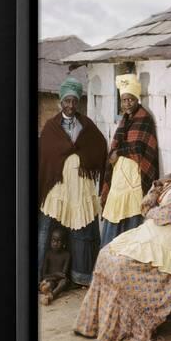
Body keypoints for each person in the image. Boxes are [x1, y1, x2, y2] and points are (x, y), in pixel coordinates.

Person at [74, 131, 171, 341]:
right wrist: (159, 184)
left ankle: (124, 327)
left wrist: (151, 210)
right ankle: (95, 325)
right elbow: (146, 204)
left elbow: (164, 216)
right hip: (155, 232)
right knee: (107, 254)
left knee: (122, 267)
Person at [38, 77, 107, 287]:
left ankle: (80, 276)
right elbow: (44, 156)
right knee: (46, 228)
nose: (70, 106)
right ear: (61, 101)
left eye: (74, 101)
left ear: (78, 103)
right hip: (57, 188)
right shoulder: (51, 127)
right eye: (67, 101)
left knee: (81, 228)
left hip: (79, 187)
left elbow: (100, 146)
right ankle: (40, 274)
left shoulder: (85, 125)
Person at [100, 74, 159, 247]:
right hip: (119, 179)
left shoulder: (145, 119)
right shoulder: (123, 121)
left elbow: (141, 148)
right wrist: (114, 155)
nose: (127, 103)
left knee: (132, 220)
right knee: (114, 218)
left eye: (130, 100)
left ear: (136, 99)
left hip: (134, 179)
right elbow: (116, 147)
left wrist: (119, 152)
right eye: (124, 100)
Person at [39, 227, 70, 305]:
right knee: (48, 284)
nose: (55, 243)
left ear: (64, 243)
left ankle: (52, 295)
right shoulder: (48, 254)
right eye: (53, 240)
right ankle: (49, 291)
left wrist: (58, 276)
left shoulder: (67, 255)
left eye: (58, 241)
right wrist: (56, 274)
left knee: (64, 282)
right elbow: (44, 275)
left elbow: (64, 275)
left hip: (59, 281)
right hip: (51, 279)